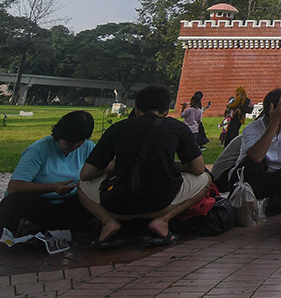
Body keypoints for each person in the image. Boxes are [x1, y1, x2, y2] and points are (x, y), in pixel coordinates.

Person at [78, 85, 211, 247]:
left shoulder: (117, 129)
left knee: (81, 184)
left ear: (138, 109)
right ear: (166, 111)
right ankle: (162, 221)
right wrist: (173, 166)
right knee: (205, 179)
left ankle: (108, 222)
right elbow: (198, 168)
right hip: (161, 202)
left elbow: (85, 174)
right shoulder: (177, 128)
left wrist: (115, 166)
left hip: (117, 204)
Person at [0, 110, 98, 233]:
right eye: (70, 143)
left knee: (93, 201)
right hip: (39, 202)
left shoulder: (88, 147)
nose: (76, 146)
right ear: (59, 136)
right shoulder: (38, 150)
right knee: (15, 203)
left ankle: (47, 225)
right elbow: (14, 187)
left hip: (67, 202)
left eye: (80, 142)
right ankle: (57, 225)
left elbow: (100, 168)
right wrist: (52, 187)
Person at [229, 88, 281, 212]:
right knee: (258, 162)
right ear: (277, 110)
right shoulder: (252, 129)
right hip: (251, 178)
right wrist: (275, 123)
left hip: (278, 174)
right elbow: (256, 157)